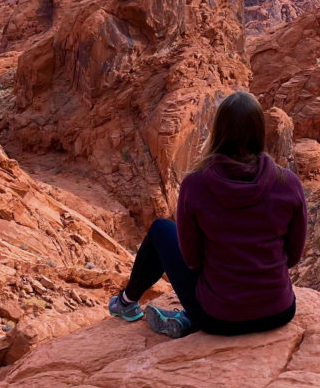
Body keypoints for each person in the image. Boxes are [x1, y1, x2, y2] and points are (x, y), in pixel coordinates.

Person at [108, 91, 307, 338]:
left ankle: (127, 303)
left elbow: (192, 259)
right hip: (279, 311)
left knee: (161, 229)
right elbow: (294, 256)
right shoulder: (288, 183)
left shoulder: (196, 184)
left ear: (219, 131)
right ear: (260, 131)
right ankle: (186, 318)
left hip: (219, 319)